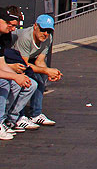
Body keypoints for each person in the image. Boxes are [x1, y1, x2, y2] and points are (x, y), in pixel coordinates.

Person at [12, 14, 61, 127]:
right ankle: (19, 116)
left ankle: (36, 114)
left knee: (41, 77)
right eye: (43, 29)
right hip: (13, 59)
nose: (45, 34)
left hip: (26, 60)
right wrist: (46, 71)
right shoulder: (25, 37)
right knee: (28, 80)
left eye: (49, 31)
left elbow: (40, 61)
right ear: (35, 26)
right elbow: (23, 65)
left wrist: (48, 71)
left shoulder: (47, 39)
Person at [0, 9, 37, 138]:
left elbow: (2, 64)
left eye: (15, 25)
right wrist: (15, 76)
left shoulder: (4, 37)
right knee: (5, 83)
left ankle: (8, 119)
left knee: (30, 83)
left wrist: (20, 77)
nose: (12, 28)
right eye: (9, 24)